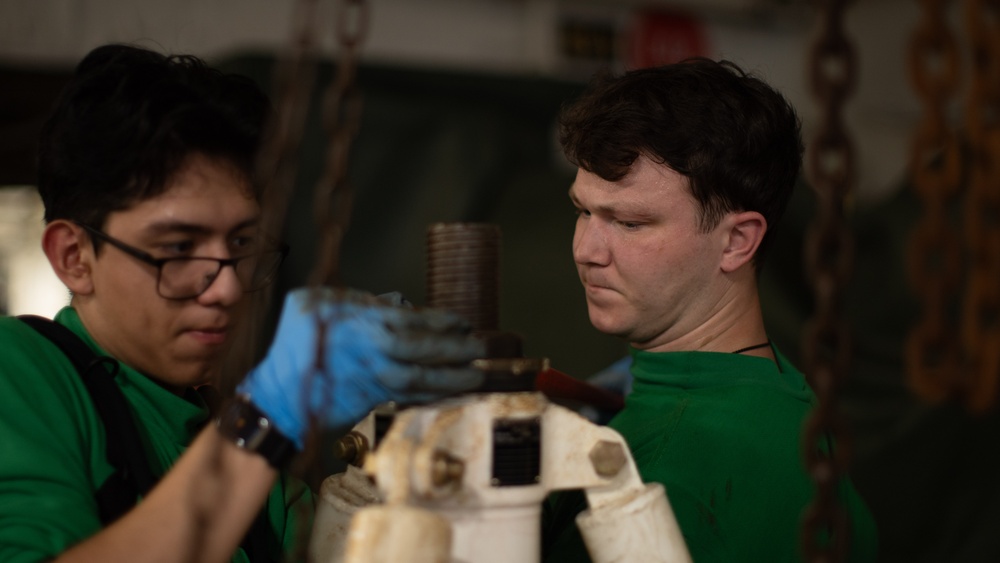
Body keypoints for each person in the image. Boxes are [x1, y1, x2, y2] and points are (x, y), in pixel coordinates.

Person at [0, 43, 485, 562]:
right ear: (74, 256)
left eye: (240, 246)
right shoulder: (23, 372)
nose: (227, 288)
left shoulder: (232, 449)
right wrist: (269, 413)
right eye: (179, 249)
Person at [541, 59, 878, 561]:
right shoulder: (788, 406)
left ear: (737, 241)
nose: (587, 249)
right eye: (583, 211)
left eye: (630, 223)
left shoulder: (659, 484)